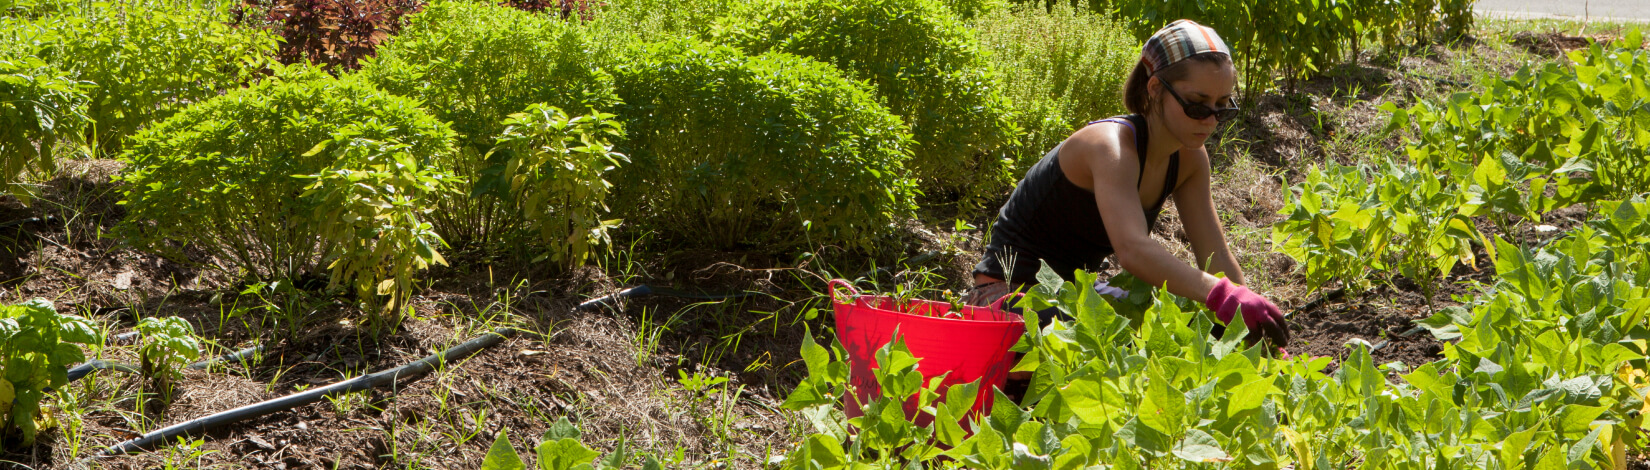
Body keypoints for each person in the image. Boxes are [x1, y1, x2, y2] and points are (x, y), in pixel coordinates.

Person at [963, 19, 1288, 348]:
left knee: (1197, 333)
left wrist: (1251, 328)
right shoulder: (1110, 146)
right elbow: (1133, 250)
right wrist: (1222, 295)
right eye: (1196, 104)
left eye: (1222, 107)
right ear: (1156, 88)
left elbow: (1215, 255)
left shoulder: (1189, 159)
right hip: (1008, 299)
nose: (1209, 119)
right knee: (1135, 347)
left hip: (1070, 299)